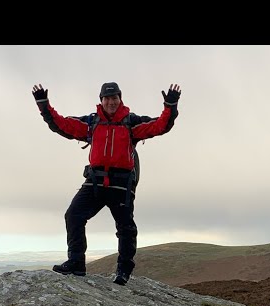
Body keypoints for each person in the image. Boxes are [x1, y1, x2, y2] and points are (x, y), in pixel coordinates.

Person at [32, 81, 181, 285]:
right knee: (73, 215)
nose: (111, 102)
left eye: (114, 98)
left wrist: (170, 106)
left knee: (125, 228)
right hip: (95, 182)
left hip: (121, 185)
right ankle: (76, 263)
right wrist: (43, 104)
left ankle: (123, 270)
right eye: (107, 98)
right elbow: (62, 124)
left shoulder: (131, 123)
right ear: (101, 100)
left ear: (120, 99)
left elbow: (160, 126)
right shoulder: (91, 123)